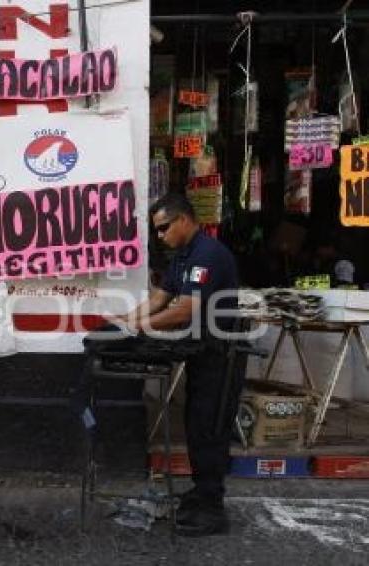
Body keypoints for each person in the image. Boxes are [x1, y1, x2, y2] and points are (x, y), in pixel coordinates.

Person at [108, 192, 241, 537]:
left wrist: (139, 327)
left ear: (184, 220)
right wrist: (125, 319)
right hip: (202, 352)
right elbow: (160, 298)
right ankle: (201, 492)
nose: (161, 235)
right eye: (157, 230)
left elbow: (184, 309)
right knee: (196, 422)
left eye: (165, 227)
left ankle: (213, 508)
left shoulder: (207, 254)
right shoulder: (183, 255)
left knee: (211, 426)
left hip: (222, 354)